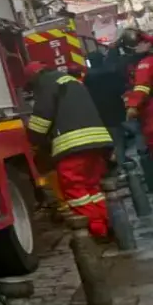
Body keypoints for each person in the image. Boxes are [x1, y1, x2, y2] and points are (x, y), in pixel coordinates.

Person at [25, 61, 114, 240]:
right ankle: (106, 224)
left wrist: (31, 138)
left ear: (34, 78)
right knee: (92, 188)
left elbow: (41, 119)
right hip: (96, 143)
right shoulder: (70, 81)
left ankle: (97, 231)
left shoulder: (46, 84)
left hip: (73, 147)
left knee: (75, 189)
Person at [84, 50, 131, 170]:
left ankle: (112, 167)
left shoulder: (88, 78)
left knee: (108, 143)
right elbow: (122, 89)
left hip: (99, 114)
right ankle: (123, 167)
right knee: (119, 141)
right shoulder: (112, 73)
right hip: (116, 111)